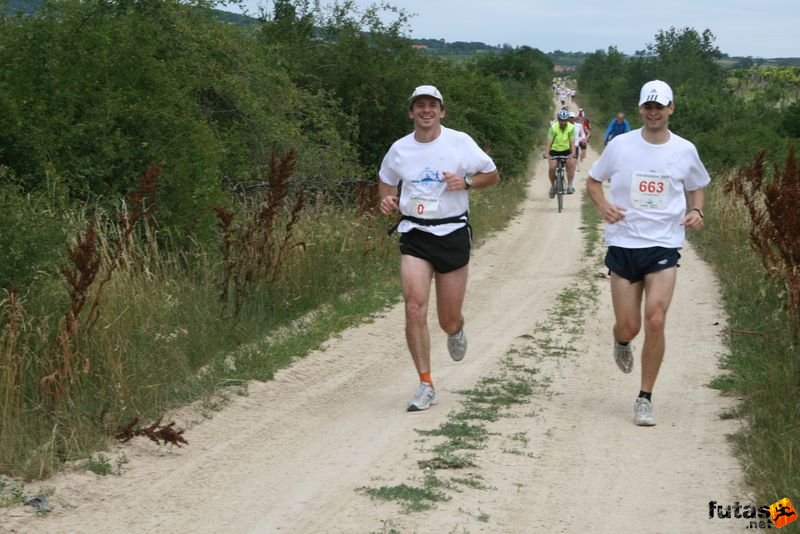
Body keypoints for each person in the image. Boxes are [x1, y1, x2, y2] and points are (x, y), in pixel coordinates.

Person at [586, 80, 710, 426]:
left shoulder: (685, 150)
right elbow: (593, 181)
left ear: (671, 108)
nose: (653, 112)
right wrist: (604, 207)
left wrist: (697, 211)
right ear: (641, 109)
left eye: (660, 106)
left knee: (656, 319)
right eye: (648, 107)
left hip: (664, 243)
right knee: (629, 326)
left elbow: (697, 186)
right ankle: (620, 340)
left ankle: (645, 397)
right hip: (625, 242)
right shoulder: (621, 146)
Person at [378, 85, 500, 412]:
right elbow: (386, 179)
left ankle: (456, 329)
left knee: (447, 319)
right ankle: (425, 382)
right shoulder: (400, 149)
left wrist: (468, 182)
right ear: (411, 112)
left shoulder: (459, 142)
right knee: (414, 307)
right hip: (415, 232)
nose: (426, 110)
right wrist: (386, 198)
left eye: (432, 105)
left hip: (452, 232)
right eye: (420, 106)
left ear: (442, 112)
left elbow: (492, 174)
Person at [544, 108, 577, 195]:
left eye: (565, 120)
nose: (563, 123)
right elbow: (549, 142)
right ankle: (553, 186)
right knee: (552, 167)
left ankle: (569, 186)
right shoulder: (553, 128)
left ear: (567, 120)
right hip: (554, 150)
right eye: (561, 120)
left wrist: (573, 153)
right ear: (558, 120)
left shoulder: (571, 128)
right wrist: (546, 153)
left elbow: (572, 142)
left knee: (570, 164)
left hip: (566, 150)